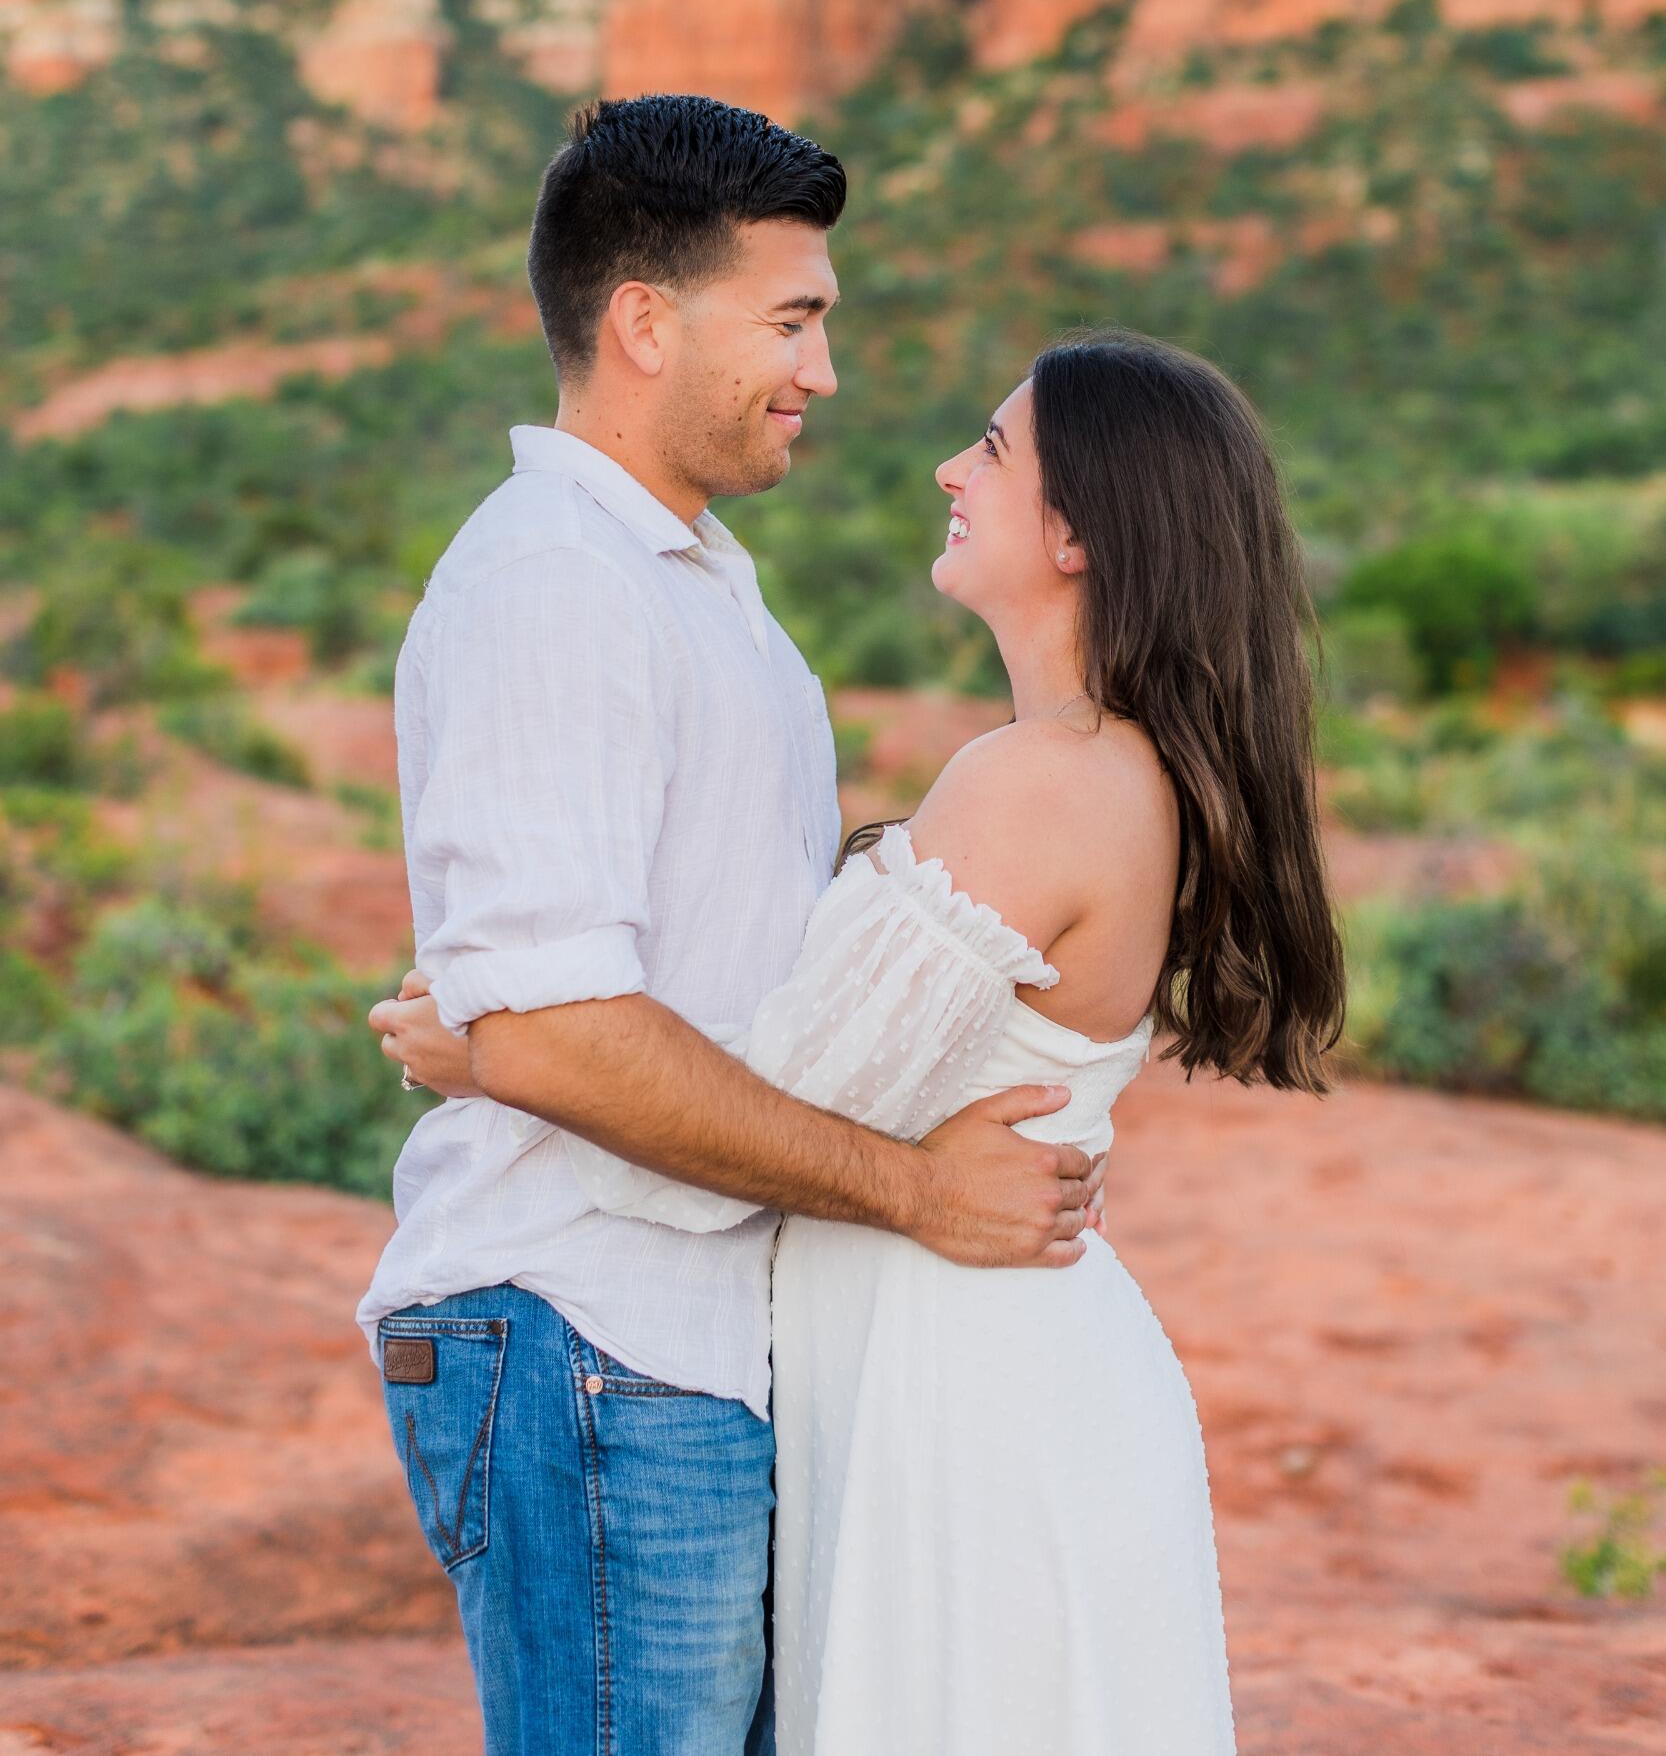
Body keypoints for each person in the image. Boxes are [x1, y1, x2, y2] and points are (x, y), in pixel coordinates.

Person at [378, 301, 1349, 1749]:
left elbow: (744, 1108)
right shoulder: (1104, 775)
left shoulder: (1037, 783)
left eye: (991, 447)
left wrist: (504, 1044)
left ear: (1078, 532)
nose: (950, 472)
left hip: (960, 1376)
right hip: (975, 1352)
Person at [356, 93, 1108, 1756]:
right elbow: (561, 1028)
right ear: (642, 322)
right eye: (791, 320)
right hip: (589, 1336)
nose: (822, 372)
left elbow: (646, 976)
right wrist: (914, 1190)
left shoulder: (700, 585)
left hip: (682, 1347)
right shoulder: (554, 580)